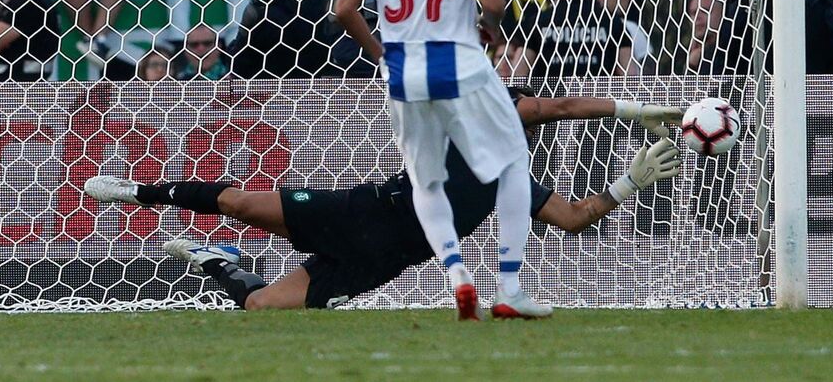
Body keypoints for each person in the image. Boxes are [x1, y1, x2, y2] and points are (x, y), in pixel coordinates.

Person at [83, 86, 683, 311]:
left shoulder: (512, 177)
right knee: (240, 202)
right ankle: (137, 190)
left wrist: (628, 182)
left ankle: (223, 263)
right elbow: (557, 106)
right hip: (362, 213)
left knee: (262, 309)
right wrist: (632, 109)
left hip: (382, 260)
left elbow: (575, 220)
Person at [334, 0, 545, 320]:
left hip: (404, 74)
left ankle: (456, 275)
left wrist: (380, 52)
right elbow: (492, 0)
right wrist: (491, 26)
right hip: (462, 67)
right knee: (513, 162)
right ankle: (509, 286)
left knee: (426, 183)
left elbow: (343, 8)